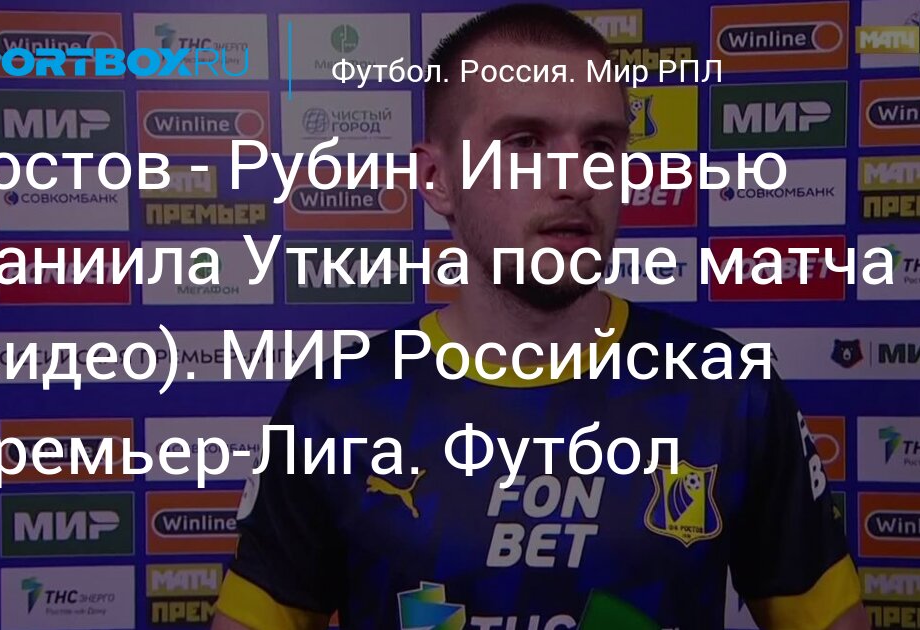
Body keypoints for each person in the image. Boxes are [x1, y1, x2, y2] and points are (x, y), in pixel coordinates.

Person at [212, 4, 868, 629]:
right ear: (437, 178)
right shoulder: (335, 408)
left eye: (601, 144)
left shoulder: (727, 391)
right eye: (525, 142)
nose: (575, 180)